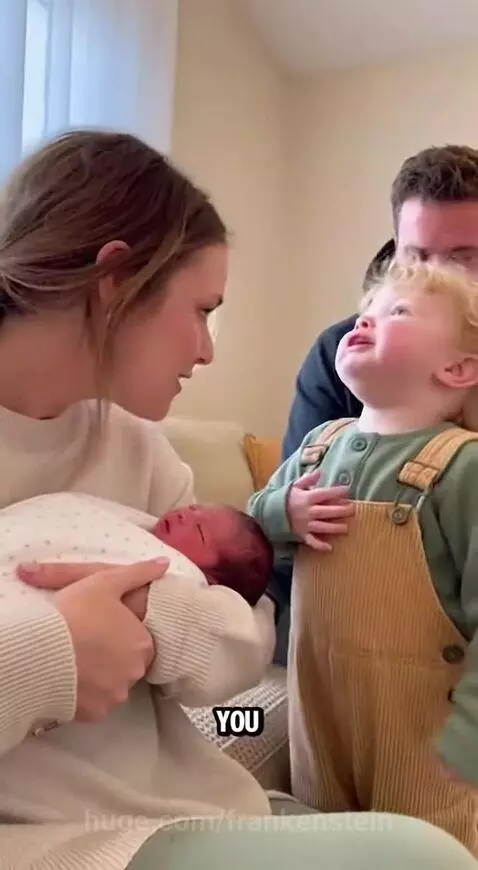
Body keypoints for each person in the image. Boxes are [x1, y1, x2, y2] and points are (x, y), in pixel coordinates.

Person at [0, 129, 473, 870]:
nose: (208, 350)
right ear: (115, 281)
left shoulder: (139, 451)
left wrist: (161, 619)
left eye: (463, 260)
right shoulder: (336, 371)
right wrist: (51, 653)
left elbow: (238, 613)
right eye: (202, 310)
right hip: (73, 825)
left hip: (180, 791)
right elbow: (264, 537)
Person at [249, 259, 478, 854]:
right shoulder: (315, 447)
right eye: (368, 310)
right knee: (325, 839)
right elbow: (248, 533)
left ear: (457, 368)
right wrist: (282, 515)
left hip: (427, 729)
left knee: (426, 849)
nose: (366, 320)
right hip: (318, 704)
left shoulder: (464, 466)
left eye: (397, 312)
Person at [271, 145, 478, 660]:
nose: (440, 276)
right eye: (417, 257)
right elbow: (296, 506)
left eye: (464, 257)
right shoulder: (344, 352)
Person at [153, 502, 273, 605]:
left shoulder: (169, 589)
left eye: (199, 529)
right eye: (193, 507)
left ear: (209, 579)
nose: (183, 514)